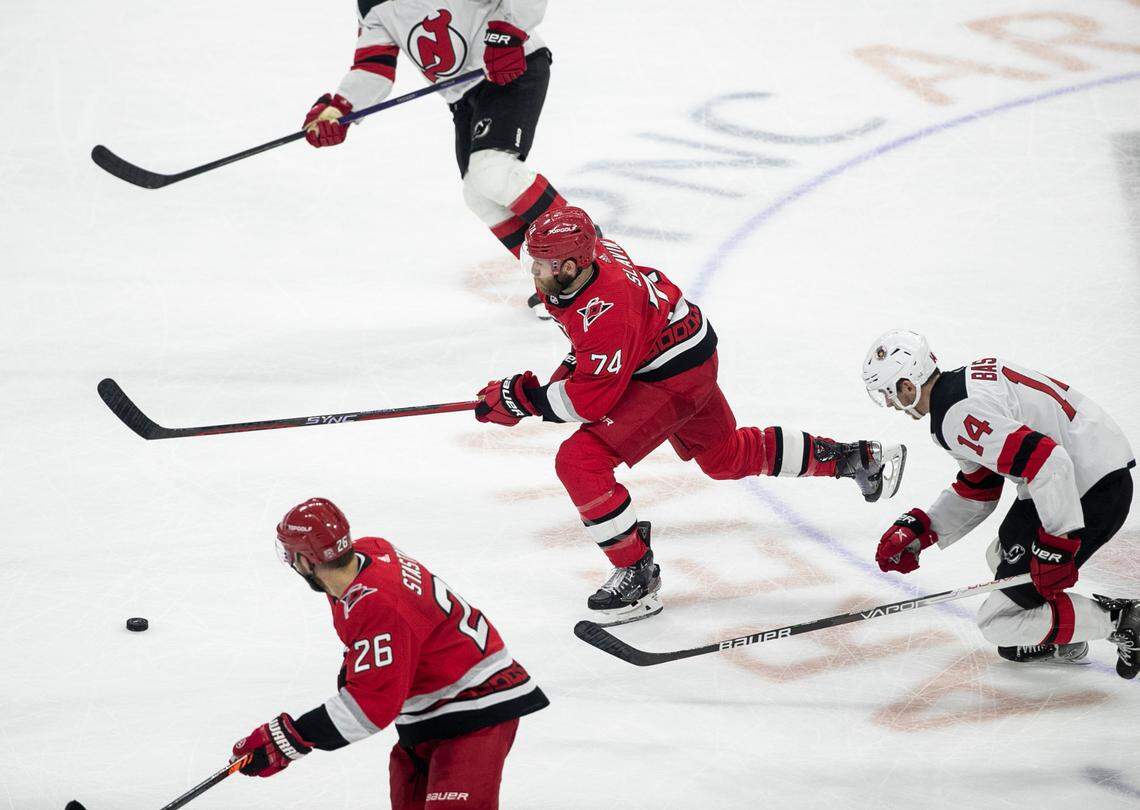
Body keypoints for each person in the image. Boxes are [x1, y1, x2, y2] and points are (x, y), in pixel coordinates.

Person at [473, 206, 906, 625]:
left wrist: (524, 400)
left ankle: (636, 574)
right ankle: (853, 457)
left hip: (669, 376)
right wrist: (534, 393)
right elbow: (591, 356)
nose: (534, 271)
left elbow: (591, 401)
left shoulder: (609, 310)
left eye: (542, 264)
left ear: (570, 266)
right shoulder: (590, 264)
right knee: (725, 457)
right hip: (682, 351)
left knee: (580, 461)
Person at [231, 498, 548, 808]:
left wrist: (291, 738)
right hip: (431, 711)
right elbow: (387, 639)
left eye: (290, 555)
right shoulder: (371, 551)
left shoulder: (377, 603)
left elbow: (370, 709)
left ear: (307, 560)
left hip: (477, 706)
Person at [863, 329, 1138, 678]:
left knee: (999, 623)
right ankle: (1064, 632)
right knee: (1001, 554)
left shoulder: (957, 415)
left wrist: (1058, 545)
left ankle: (1124, 622)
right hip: (1086, 467)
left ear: (907, 385)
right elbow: (980, 487)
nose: (889, 403)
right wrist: (923, 529)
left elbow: (1048, 462)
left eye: (889, 393)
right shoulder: (959, 389)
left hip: (1091, 487)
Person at [304, 1, 564, 317]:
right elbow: (374, 65)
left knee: (493, 172)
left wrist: (509, 31)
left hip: (512, 67)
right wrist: (340, 108)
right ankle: (559, 280)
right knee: (478, 193)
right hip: (463, 97)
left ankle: (596, 260)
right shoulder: (371, 5)